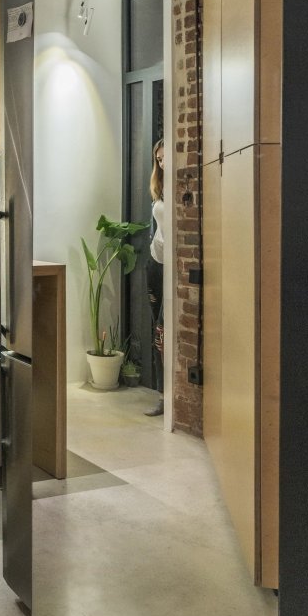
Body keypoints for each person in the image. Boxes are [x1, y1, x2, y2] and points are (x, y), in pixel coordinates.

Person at [145, 138, 164, 417]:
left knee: (163, 330)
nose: (162, 163)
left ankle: (168, 396)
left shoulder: (183, 186)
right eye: (158, 160)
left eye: (164, 157)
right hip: (155, 265)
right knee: (157, 332)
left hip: (173, 267)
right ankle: (163, 395)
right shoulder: (161, 189)